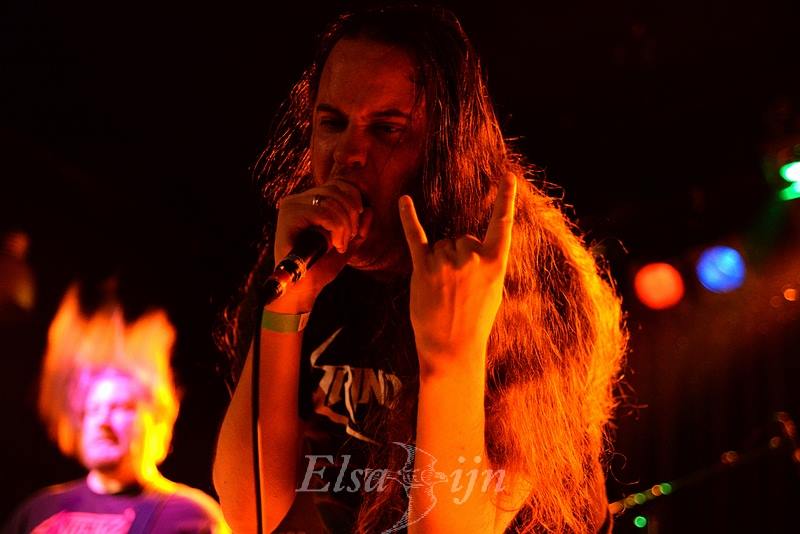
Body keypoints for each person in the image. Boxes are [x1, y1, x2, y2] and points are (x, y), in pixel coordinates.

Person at [214, 5, 626, 534]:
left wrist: (450, 356)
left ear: (446, 147)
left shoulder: (527, 281)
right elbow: (249, 512)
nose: (347, 154)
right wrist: (286, 309)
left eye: (387, 129)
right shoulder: (301, 262)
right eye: (332, 123)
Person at [3, 286, 230, 534]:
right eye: (93, 409)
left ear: (157, 420)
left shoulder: (191, 517)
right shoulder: (39, 511)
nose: (102, 421)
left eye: (119, 407)